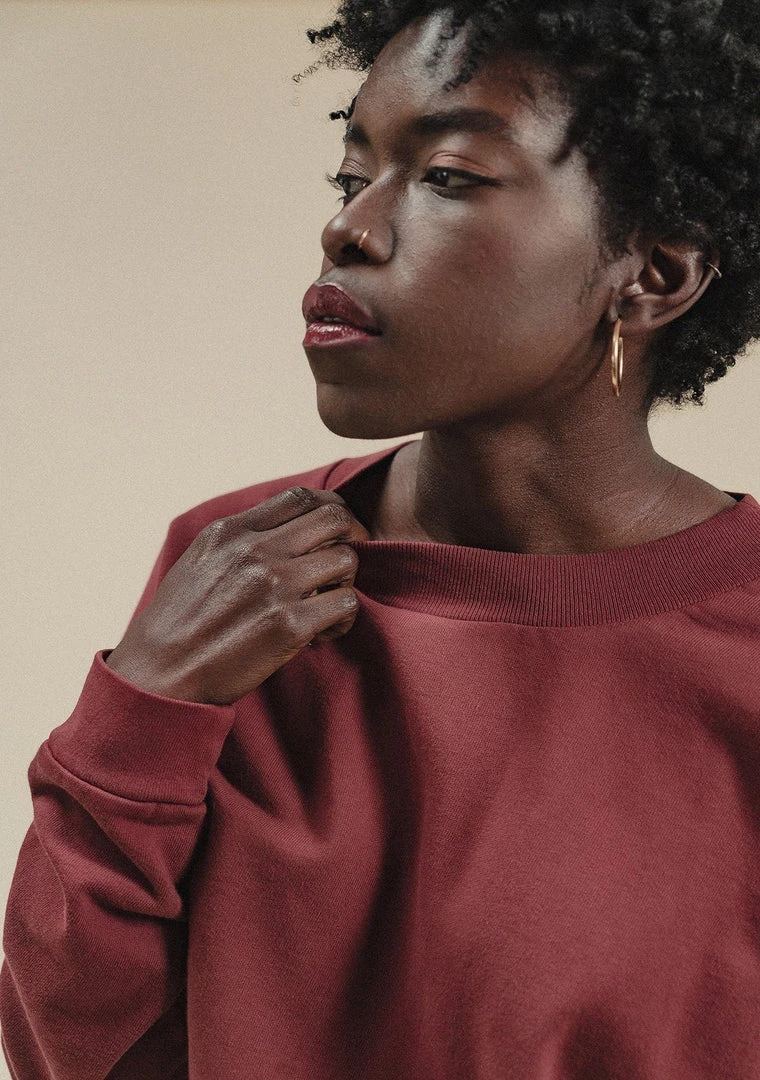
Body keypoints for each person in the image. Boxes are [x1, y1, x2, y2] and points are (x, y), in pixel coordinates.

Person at [3, 1, 760, 1077]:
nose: (349, 227)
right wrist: (140, 717)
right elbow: (74, 1048)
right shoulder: (240, 576)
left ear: (655, 276)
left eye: (448, 175)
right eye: (351, 174)